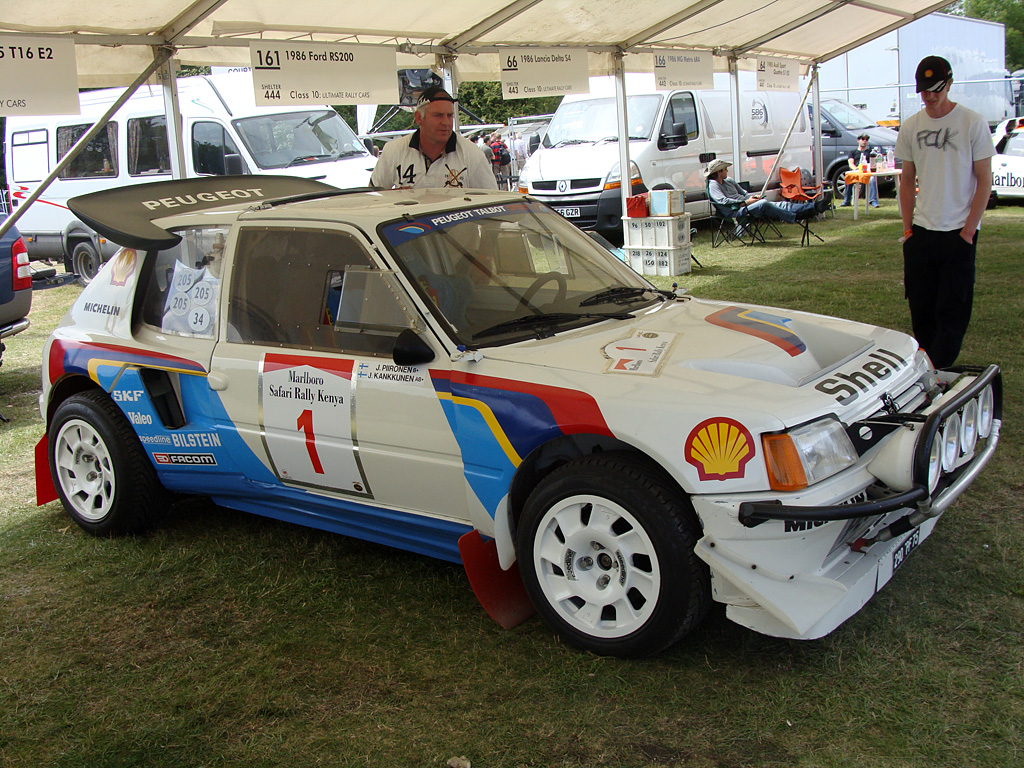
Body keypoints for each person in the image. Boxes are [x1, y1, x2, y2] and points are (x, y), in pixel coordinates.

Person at [895, 55, 994, 369]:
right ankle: (930, 369)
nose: (931, 96)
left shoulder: (971, 122)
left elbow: (984, 180)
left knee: (952, 309)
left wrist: (968, 231)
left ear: (949, 84)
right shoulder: (911, 127)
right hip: (922, 232)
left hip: (957, 232)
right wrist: (908, 229)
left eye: (937, 89)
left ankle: (938, 370)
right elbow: (907, 181)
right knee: (922, 309)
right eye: (925, 90)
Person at [370, 87, 497, 190]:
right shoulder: (394, 150)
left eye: (449, 115)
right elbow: (374, 197)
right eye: (438, 115)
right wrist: (393, 198)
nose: (446, 122)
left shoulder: (472, 154)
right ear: (419, 118)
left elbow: (493, 204)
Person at [705, 159, 823, 233]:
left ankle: (813, 207)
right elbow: (724, 201)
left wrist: (753, 197)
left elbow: (744, 193)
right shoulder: (713, 185)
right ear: (719, 172)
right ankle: (795, 216)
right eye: (725, 169)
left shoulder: (729, 180)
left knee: (779, 204)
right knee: (764, 204)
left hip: (747, 205)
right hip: (735, 211)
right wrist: (746, 203)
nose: (727, 171)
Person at [841, 134, 879, 208]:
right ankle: (847, 200)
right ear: (858, 140)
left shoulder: (870, 152)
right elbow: (850, 163)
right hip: (856, 172)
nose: (864, 141)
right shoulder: (853, 152)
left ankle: (873, 201)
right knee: (848, 178)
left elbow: (874, 162)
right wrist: (856, 168)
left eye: (866, 139)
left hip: (866, 172)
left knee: (872, 179)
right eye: (862, 139)